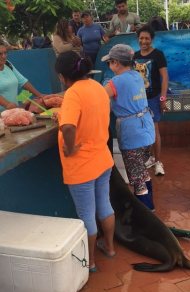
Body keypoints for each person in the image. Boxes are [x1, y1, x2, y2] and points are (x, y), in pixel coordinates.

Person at [55, 50, 115, 272]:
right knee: (104, 206)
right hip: (102, 159)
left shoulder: (72, 93)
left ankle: (90, 263)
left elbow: (69, 126)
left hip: (82, 166)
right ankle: (109, 248)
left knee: (87, 214)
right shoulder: (97, 87)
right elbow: (86, 116)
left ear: (62, 76)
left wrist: (70, 148)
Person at [102, 44, 155, 211]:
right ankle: (150, 207)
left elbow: (97, 98)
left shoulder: (116, 81)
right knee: (142, 171)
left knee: (137, 178)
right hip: (146, 130)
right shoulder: (137, 76)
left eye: (109, 62)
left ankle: (146, 216)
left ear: (116, 63)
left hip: (132, 134)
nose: (109, 66)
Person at [134, 25, 168, 176]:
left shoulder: (158, 55)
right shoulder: (134, 56)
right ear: (138, 39)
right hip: (138, 100)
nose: (144, 41)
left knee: (154, 131)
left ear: (152, 39)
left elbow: (165, 78)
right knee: (142, 130)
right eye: (141, 38)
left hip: (154, 99)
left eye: (147, 38)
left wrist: (162, 98)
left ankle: (158, 162)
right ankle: (150, 158)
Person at [0, 42, 43, 111]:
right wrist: (7, 104)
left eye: (5, 53)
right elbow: (8, 105)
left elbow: (22, 81)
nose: (4, 56)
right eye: (0, 54)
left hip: (13, 112)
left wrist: (39, 95)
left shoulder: (8, 64)